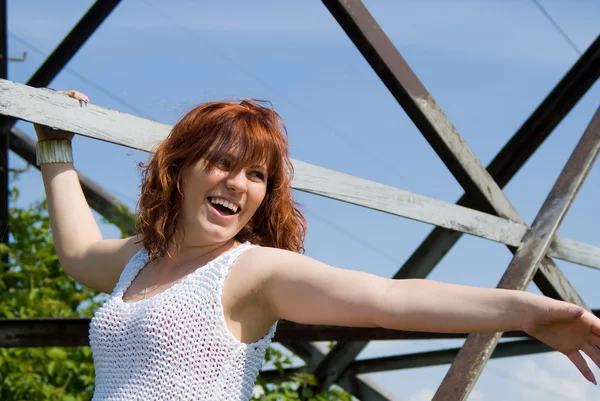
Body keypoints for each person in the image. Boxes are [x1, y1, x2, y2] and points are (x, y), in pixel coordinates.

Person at [34, 90, 600, 400]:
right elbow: (79, 252)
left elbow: (388, 299)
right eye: (223, 163)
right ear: (178, 170)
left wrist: (526, 311)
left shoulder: (252, 272)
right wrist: (55, 146)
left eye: (257, 175)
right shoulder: (139, 260)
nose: (239, 184)